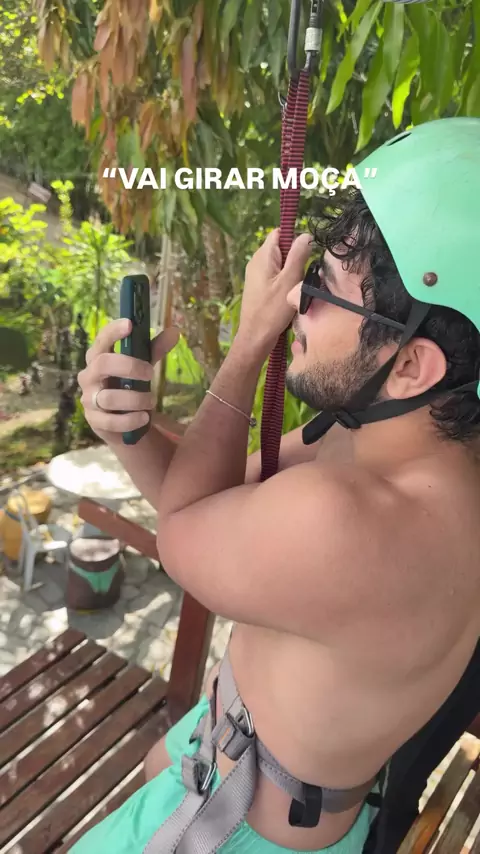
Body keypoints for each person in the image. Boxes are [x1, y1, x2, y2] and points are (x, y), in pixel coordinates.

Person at [74, 117, 480, 854]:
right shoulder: (404, 451)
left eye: (324, 290)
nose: (294, 302)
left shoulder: (347, 520)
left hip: (231, 829)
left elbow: (184, 529)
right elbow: (219, 500)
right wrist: (129, 428)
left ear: (412, 364)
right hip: (239, 763)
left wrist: (249, 342)